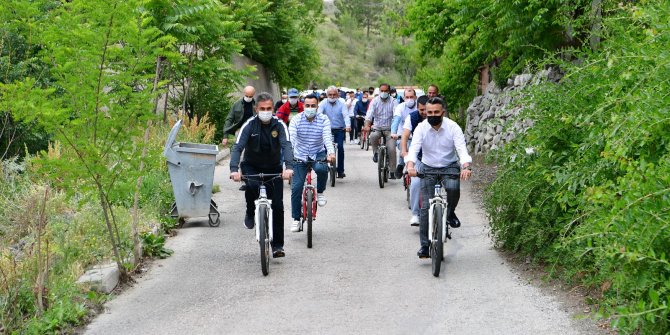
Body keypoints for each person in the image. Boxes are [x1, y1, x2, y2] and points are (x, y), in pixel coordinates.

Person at [229, 92, 294, 258]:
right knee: (251, 186)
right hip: (252, 166)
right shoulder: (249, 125)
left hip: (274, 168)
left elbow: (286, 146)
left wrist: (288, 167)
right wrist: (234, 169)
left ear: (273, 109)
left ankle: (277, 246)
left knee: (278, 207)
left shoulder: (280, 125)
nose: (266, 111)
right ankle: (250, 211)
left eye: (269, 108)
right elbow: (237, 147)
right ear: (256, 109)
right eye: (262, 109)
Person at [406, 97, 472, 259]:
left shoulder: (453, 127)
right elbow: (414, 149)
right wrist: (410, 166)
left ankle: (449, 213)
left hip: (449, 165)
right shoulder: (421, 128)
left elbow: (461, 149)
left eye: (436, 112)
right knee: (425, 209)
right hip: (427, 167)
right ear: (425, 113)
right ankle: (425, 247)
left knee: (453, 188)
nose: (433, 115)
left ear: (443, 112)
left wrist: (465, 166)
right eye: (429, 112)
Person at [288, 94, 336, 232]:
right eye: (307, 105)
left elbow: (327, 137)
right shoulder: (296, 119)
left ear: (317, 106)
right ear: (303, 106)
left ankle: (320, 192)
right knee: (296, 187)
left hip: (318, 152)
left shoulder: (323, 119)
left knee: (322, 169)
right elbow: (292, 138)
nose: (310, 108)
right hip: (300, 154)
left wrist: (331, 153)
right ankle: (296, 219)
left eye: (313, 106)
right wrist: (290, 156)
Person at [400, 95, 428, 226]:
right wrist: (405, 152)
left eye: (426, 109)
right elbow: (405, 136)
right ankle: (416, 214)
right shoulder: (412, 117)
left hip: (435, 158)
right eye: (421, 110)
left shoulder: (438, 118)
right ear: (417, 108)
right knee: (416, 184)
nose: (425, 113)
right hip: (418, 156)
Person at [363, 83, 399, 178]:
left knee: (391, 149)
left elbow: (396, 115)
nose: (383, 93)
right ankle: (375, 153)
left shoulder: (394, 101)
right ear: (379, 91)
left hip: (390, 129)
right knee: (373, 136)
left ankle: (392, 171)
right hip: (377, 128)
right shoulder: (375, 101)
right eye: (381, 91)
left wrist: (395, 130)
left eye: (385, 91)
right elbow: (369, 114)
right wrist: (367, 125)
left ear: (389, 92)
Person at [318, 86, 351, 178]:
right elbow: (319, 115)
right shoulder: (323, 103)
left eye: (334, 94)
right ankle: (323, 168)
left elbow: (346, 115)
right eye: (330, 95)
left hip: (339, 129)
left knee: (340, 148)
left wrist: (348, 126)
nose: (332, 96)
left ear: (337, 95)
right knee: (323, 149)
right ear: (327, 95)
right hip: (326, 130)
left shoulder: (342, 103)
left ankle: (340, 170)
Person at [390, 88, 417, 177]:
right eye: (407, 97)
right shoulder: (400, 107)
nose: (409, 99)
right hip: (401, 135)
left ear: (415, 97)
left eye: (411, 97)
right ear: (404, 98)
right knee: (405, 145)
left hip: (416, 135)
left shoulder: (419, 106)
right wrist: (393, 132)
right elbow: (396, 120)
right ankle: (401, 165)